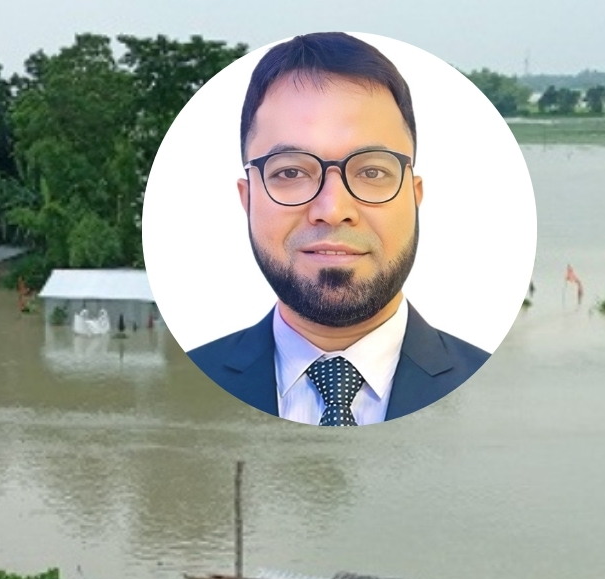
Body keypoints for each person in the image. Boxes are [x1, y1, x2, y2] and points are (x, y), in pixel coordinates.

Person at [187, 32, 489, 426]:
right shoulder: (182, 388)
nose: (332, 210)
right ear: (248, 199)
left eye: (372, 172)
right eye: (291, 172)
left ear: (414, 196)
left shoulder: (498, 392)